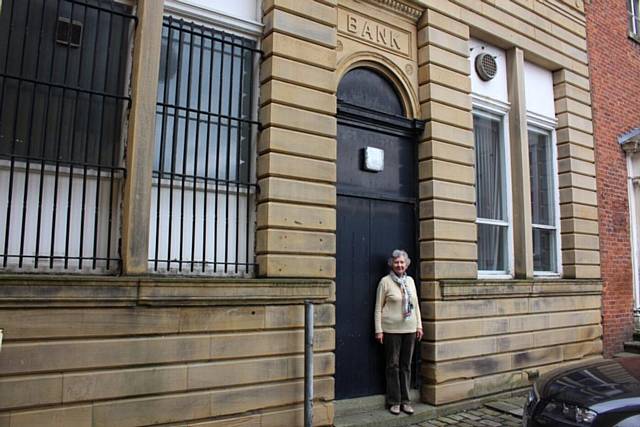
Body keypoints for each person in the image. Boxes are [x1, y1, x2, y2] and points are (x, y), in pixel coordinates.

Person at [374, 249, 423, 415]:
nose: (399, 265)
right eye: (396, 262)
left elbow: (415, 305)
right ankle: (394, 401)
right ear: (391, 264)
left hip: (410, 328)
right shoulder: (385, 282)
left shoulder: (410, 281)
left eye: (402, 262)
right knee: (392, 365)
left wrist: (419, 326)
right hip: (391, 330)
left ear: (406, 264)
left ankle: (406, 401)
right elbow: (377, 309)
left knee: (406, 366)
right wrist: (378, 330)